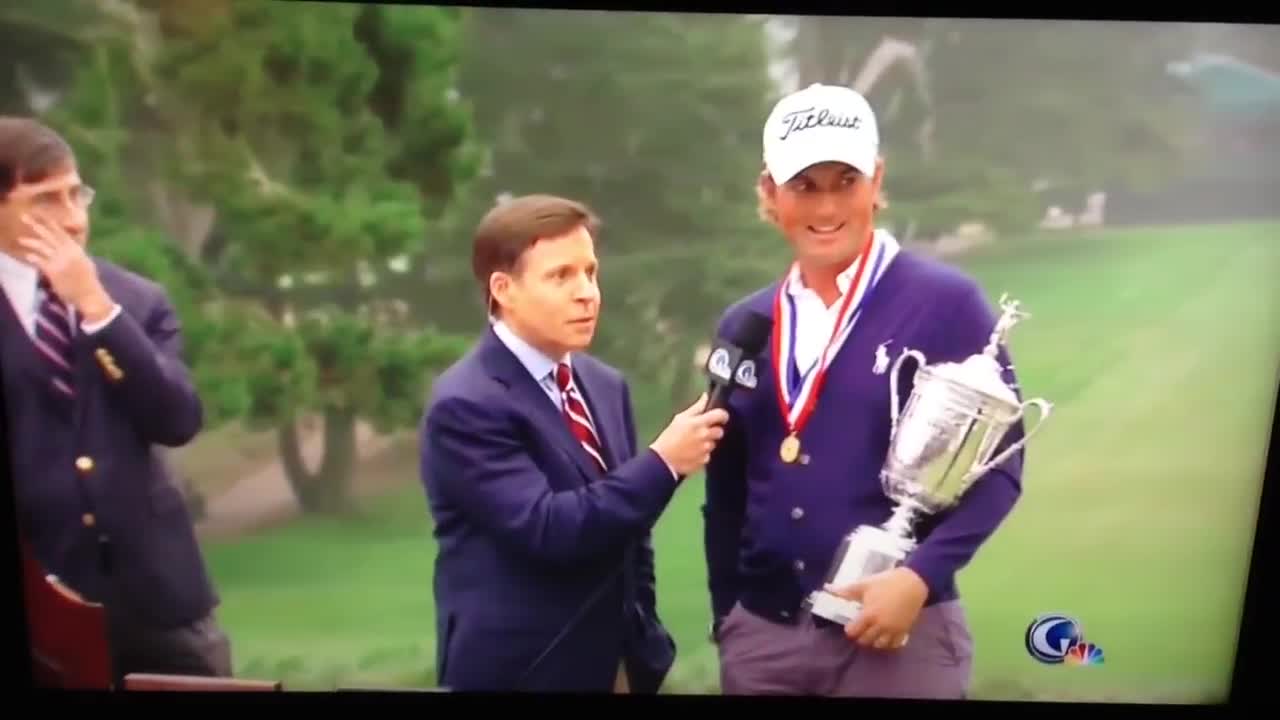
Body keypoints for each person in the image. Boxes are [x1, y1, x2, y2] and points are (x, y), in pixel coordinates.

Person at [702, 84, 1027, 698]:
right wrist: (730, 616)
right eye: (805, 186)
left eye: (845, 181)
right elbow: (726, 488)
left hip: (899, 641)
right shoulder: (745, 323)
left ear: (876, 182)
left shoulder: (946, 304)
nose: (827, 206)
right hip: (763, 644)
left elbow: (1001, 471)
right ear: (769, 196)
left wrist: (918, 580)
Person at [420, 194, 730, 693]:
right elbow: (550, 529)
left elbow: (632, 534)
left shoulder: (604, 385)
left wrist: (644, 640)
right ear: (504, 289)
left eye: (591, 272)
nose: (587, 293)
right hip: (523, 672)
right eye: (560, 276)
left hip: (621, 666)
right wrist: (664, 462)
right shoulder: (466, 404)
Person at [0, 116, 230, 685]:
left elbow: (177, 419)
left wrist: (97, 311)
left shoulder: (136, 299)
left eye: (76, 194)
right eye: (45, 200)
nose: (73, 218)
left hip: (158, 595)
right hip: (41, 600)